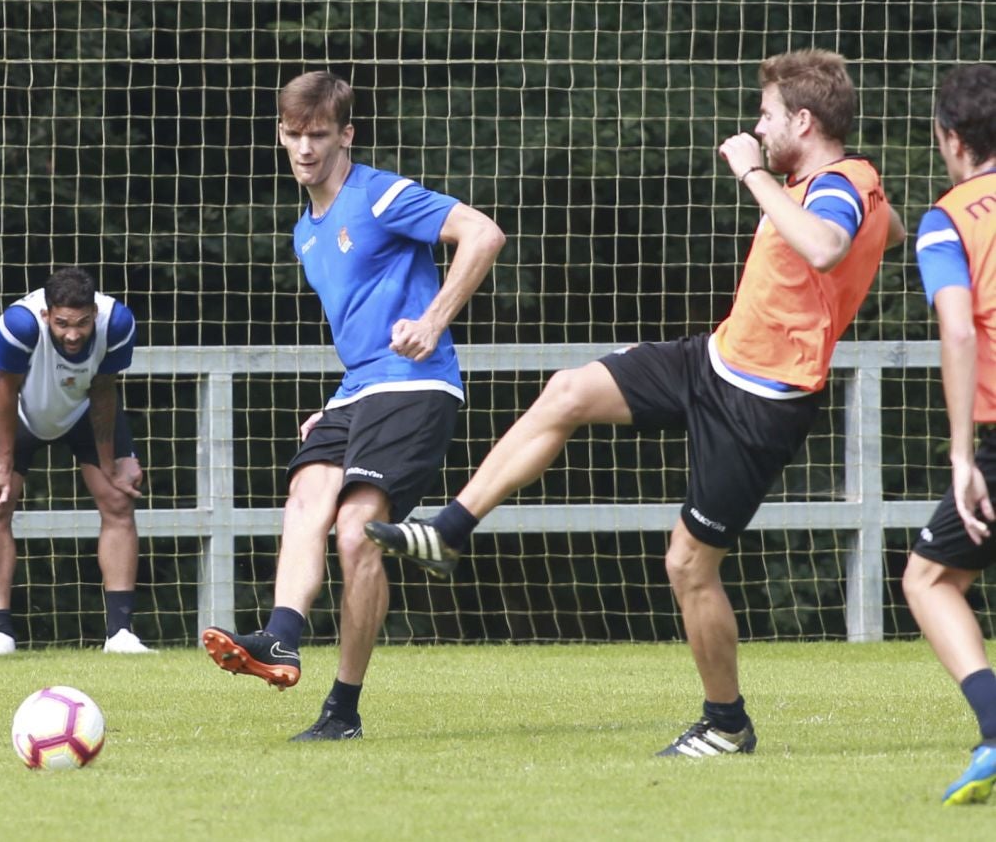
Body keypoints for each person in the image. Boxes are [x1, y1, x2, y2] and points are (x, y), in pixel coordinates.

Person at [366, 49, 906, 755]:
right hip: (714, 361)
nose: (756, 127)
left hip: (761, 404)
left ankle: (726, 723)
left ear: (803, 120)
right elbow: (886, 230)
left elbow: (831, 245)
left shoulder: (831, 187)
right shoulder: (849, 180)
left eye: (767, 116)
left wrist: (749, 170)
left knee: (688, 565)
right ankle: (449, 530)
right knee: (568, 390)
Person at [200, 70, 506, 741]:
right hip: (361, 389)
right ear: (279, 136)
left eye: (319, 135)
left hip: (416, 386)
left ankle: (342, 710)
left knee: (353, 534)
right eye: (293, 135)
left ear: (346, 135)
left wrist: (431, 320)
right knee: (306, 497)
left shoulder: (379, 194)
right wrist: (337, 402)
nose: (305, 148)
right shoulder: (304, 233)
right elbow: (364, 327)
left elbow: (483, 234)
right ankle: (280, 638)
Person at [902, 62, 996, 806]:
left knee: (928, 579)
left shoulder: (949, 217)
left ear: (953, 140)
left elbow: (959, 328)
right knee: (951, 575)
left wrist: (962, 453)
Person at [0, 267, 150, 656]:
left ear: (94, 315)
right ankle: (0, 633)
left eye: (83, 323)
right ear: (46, 314)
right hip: (18, 409)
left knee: (119, 498)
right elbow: (5, 389)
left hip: (84, 405)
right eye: (63, 323)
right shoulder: (20, 324)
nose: (73, 334)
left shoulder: (117, 322)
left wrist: (110, 464)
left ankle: (120, 634)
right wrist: (2, 462)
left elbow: (104, 388)